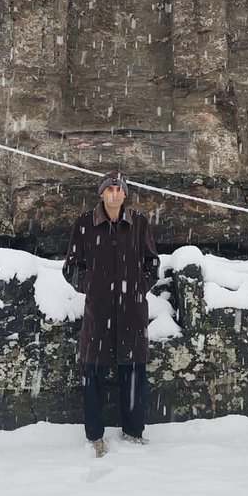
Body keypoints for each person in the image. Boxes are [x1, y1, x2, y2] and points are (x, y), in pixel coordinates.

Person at [63, 170, 160, 457]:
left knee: (133, 372)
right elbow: (71, 266)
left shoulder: (139, 223)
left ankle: (133, 431)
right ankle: (94, 436)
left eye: (119, 189)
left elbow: (152, 263)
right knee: (93, 373)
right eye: (110, 189)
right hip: (99, 310)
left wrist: (139, 287)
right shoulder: (85, 223)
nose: (115, 194)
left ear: (125, 194)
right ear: (102, 194)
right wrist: (91, 287)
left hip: (132, 311)